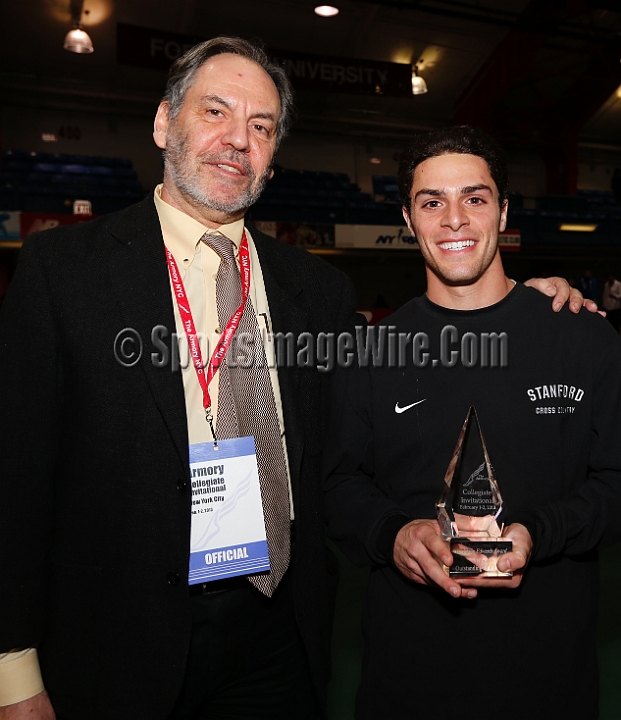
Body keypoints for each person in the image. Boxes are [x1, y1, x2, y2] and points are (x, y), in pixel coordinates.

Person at [0, 40, 587, 720]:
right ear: (165, 124)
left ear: (274, 154)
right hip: (117, 641)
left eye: (262, 126)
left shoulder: (316, 289)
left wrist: (525, 302)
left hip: (279, 636)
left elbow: (343, 461)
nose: (237, 141)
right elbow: (14, 479)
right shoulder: (62, 272)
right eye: (215, 111)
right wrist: (14, 673)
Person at [323, 126, 621, 720]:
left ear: (503, 210)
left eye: (474, 198)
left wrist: (541, 531)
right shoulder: (371, 352)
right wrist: (395, 535)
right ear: (408, 219)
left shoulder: (582, 335)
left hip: (550, 681)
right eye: (432, 202)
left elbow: (616, 481)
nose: (454, 219)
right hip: (408, 682)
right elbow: (336, 486)